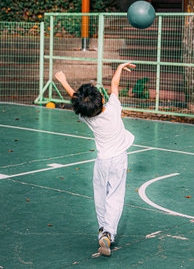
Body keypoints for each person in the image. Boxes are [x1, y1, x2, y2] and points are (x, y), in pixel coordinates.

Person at [55, 61, 136, 257]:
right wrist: (119, 68)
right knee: (115, 196)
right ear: (100, 98)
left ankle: (103, 231)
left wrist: (63, 81)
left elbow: (76, 100)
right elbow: (114, 85)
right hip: (119, 159)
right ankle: (108, 233)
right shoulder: (114, 107)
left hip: (102, 162)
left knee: (100, 196)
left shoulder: (88, 118)